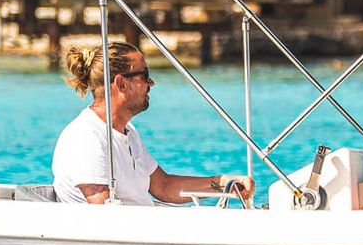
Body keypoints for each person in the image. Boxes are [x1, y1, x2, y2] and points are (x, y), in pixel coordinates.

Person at [53, 43, 253, 206]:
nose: (151, 83)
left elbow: (164, 186)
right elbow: (102, 213)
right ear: (121, 83)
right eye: (145, 75)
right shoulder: (86, 138)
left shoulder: (128, 132)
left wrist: (224, 183)